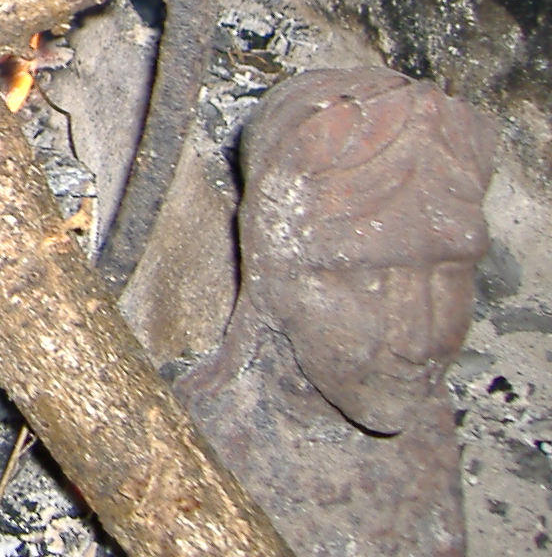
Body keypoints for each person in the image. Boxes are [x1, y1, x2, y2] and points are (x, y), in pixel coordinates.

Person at [178, 66, 496, 557]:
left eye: (449, 272)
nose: (417, 342)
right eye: (368, 279)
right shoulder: (203, 459)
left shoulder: (426, 430)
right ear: (270, 265)